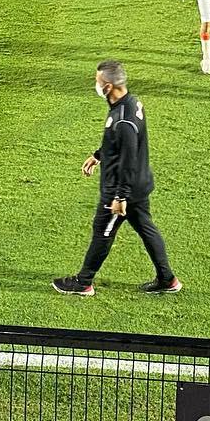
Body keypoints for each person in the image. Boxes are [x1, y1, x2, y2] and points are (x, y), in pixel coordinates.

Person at [52, 61, 181, 297]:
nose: (96, 84)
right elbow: (119, 144)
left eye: (97, 81)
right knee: (146, 228)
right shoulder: (130, 103)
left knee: (103, 231)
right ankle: (167, 279)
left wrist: (120, 196)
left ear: (108, 86)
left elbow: (128, 159)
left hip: (122, 189)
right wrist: (98, 155)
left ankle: (83, 282)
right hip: (139, 184)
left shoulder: (122, 119)